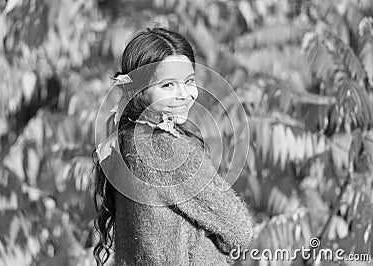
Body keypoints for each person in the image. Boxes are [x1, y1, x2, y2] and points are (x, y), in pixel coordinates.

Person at [92, 26, 253, 266]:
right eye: (168, 85)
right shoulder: (166, 149)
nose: (184, 94)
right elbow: (240, 230)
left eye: (188, 81)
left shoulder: (123, 140)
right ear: (139, 92)